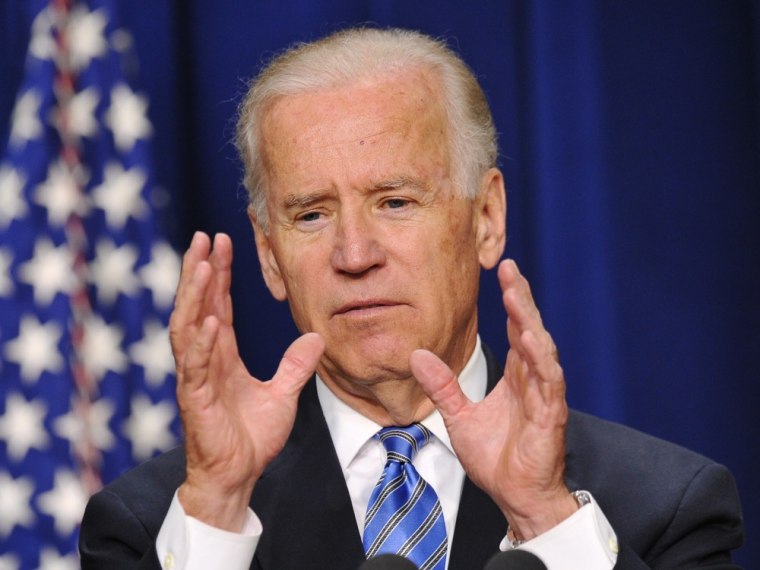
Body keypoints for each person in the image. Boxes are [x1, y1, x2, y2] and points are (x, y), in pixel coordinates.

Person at [79, 27, 743, 569]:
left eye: (394, 202)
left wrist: (544, 516)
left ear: (486, 217)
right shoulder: (154, 525)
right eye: (311, 215)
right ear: (267, 256)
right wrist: (219, 510)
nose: (355, 254)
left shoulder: (665, 509)